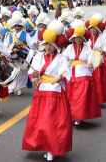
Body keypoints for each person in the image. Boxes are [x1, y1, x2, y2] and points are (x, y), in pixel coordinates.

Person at [22, 27, 71, 161]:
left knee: (53, 122)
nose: (47, 47)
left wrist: (62, 78)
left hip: (55, 92)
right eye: (45, 44)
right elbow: (33, 72)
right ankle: (45, 146)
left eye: (49, 44)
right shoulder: (38, 56)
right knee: (40, 122)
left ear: (55, 44)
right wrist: (34, 74)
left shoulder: (62, 57)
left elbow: (66, 72)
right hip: (41, 92)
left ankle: (51, 149)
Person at [63, 25, 101, 125]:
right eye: (76, 37)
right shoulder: (70, 47)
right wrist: (65, 65)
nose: (78, 39)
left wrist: (91, 64)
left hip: (84, 73)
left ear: (83, 38)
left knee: (81, 97)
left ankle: (79, 117)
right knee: (71, 96)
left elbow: (91, 59)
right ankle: (71, 115)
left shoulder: (87, 48)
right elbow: (64, 58)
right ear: (73, 38)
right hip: (71, 73)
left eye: (80, 37)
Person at [4, 13, 35, 96]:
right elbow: (5, 45)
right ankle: (12, 88)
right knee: (12, 72)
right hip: (12, 56)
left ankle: (20, 88)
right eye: (15, 26)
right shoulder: (10, 35)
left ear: (21, 26)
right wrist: (10, 50)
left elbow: (30, 44)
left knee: (22, 73)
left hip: (22, 56)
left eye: (18, 26)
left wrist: (34, 44)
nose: (17, 27)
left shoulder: (26, 34)